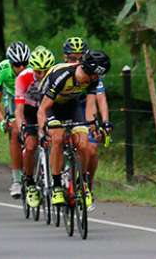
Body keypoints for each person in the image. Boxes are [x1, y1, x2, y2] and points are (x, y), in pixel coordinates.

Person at [37, 50, 111, 209]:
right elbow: (42, 109)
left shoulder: (92, 80)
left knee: (84, 144)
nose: (99, 78)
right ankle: (56, 186)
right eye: (98, 74)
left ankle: (82, 183)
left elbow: (90, 107)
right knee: (57, 138)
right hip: (51, 105)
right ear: (91, 71)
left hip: (72, 104)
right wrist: (43, 131)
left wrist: (93, 125)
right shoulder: (62, 76)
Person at [63, 37, 111, 212]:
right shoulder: (63, 73)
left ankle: (86, 184)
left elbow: (100, 101)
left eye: (79, 57)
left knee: (91, 148)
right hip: (62, 106)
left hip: (83, 110)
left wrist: (103, 123)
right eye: (72, 58)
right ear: (64, 58)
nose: (76, 61)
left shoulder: (92, 75)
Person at [14, 46, 55, 209]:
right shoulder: (23, 78)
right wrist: (22, 127)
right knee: (30, 146)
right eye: (38, 72)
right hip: (30, 110)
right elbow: (19, 110)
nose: (42, 75)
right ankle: (30, 182)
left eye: (46, 71)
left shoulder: (56, 76)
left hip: (48, 109)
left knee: (56, 139)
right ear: (33, 69)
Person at [0, 41, 30, 198]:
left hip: (30, 97)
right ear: (10, 63)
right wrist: (2, 120)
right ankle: (17, 180)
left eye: (24, 64)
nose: (21, 68)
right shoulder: (1, 69)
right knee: (14, 131)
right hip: (12, 99)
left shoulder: (34, 68)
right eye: (17, 64)